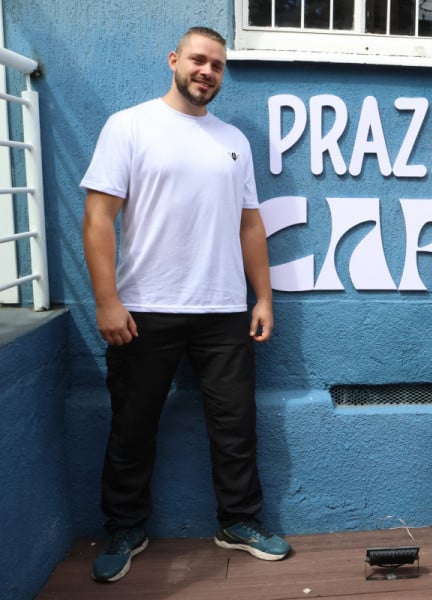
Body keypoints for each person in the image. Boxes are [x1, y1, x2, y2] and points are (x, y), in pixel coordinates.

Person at [81, 26, 291, 583]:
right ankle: (126, 526)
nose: (207, 72)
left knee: (235, 425)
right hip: (144, 308)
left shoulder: (234, 141)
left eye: (218, 65)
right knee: (132, 425)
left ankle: (239, 521)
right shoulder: (129, 125)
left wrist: (262, 296)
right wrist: (106, 300)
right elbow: (99, 217)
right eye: (199, 60)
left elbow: (250, 224)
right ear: (174, 59)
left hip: (222, 309)